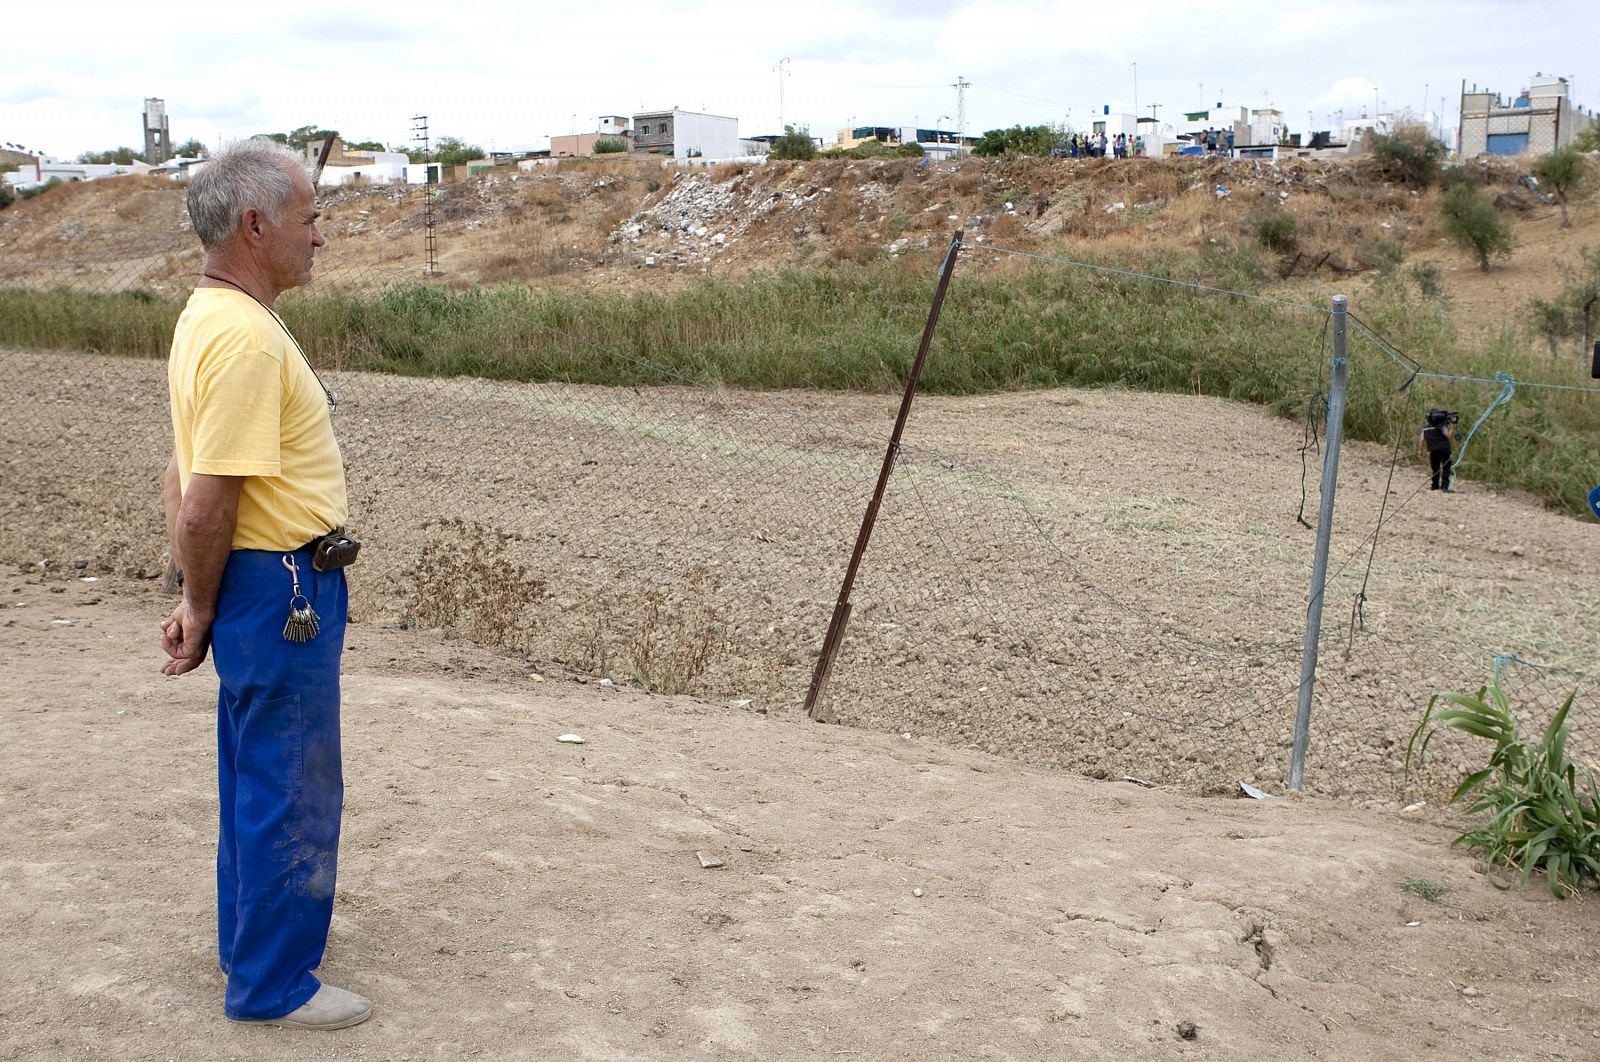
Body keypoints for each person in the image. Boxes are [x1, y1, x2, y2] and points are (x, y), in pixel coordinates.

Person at [162, 138, 371, 1031]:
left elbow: (183, 475)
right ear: (257, 225)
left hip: (255, 587)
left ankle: (250, 943)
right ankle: (274, 986)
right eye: (310, 217)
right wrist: (199, 601)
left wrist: (191, 595)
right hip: (282, 588)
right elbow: (208, 504)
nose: (318, 237)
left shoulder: (205, 318)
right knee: (292, 782)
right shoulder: (245, 340)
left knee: (257, 772)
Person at [1419, 410, 1456, 491]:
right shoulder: (1442, 427)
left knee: (1435, 468)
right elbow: (1448, 436)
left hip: (1433, 450)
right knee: (1446, 468)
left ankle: (1435, 486)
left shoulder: (1425, 428)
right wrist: (1452, 426)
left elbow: (1422, 440)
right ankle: (1444, 487)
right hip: (1444, 449)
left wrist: (1420, 450)